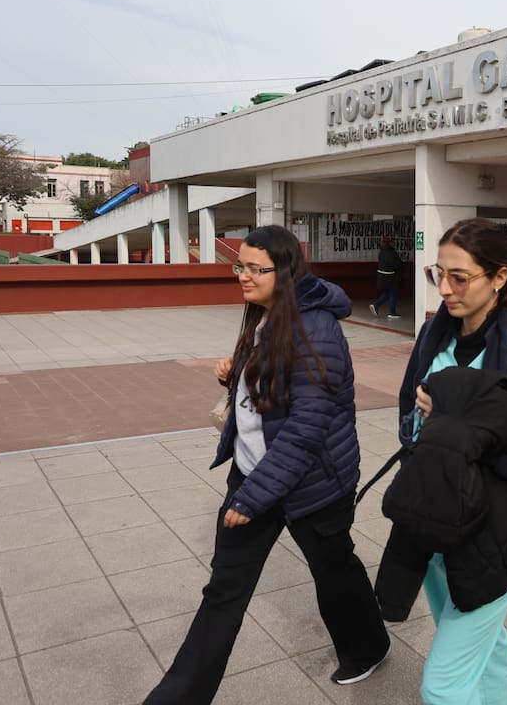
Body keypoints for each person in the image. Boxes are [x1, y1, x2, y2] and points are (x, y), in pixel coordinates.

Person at [145, 226, 390, 704]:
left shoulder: (316, 328)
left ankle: (368, 647)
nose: (244, 276)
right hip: (256, 473)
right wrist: (236, 376)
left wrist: (251, 498)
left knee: (334, 570)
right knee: (224, 592)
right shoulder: (265, 315)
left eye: (257, 269)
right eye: (240, 266)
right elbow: (276, 392)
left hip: (314, 483)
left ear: (287, 272)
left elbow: (307, 426)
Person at [396, 217, 507, 704]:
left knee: (443, 687)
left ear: (499, 277)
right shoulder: (434, 334)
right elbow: (409, 410)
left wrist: (458, 436)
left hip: (500, 533)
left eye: (460, 277)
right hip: (438, 525)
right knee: (486, 646)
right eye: (439, 274)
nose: (445, 289)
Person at [370, 235, 404, 319]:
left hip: (383, 277)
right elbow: (395, 264)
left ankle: (376, 305)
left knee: (388, 293)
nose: (394, 243)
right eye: (393, 242)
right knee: (393, 293)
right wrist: (401, 266)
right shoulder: (390, 252)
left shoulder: (382, 251)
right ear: (390, 242)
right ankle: (391, 312)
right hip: (390, 277)